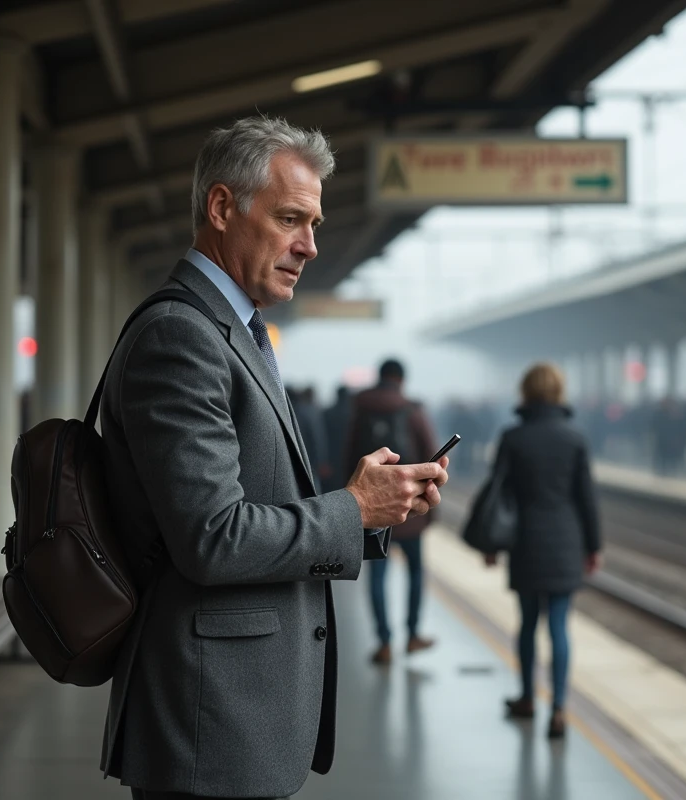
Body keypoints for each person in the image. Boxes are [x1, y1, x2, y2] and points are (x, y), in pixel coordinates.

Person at [97, 116, 449, 800]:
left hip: (235, 718)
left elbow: (252, 504)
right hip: (210, 725)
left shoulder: (235, 331)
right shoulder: (183, 338)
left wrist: (373, 514)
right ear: (222, 207)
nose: (310, 246)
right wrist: (350, 508)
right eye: (292, 218)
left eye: (313, 224)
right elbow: (212, 538)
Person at [483, 363, 601, 739]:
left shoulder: (513, 437)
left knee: (528, 623)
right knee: (559, 626)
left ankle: (527, 698)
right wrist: (593, 546)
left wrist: (490, 544)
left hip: (525, 541)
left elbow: (497, 494)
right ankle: (560, 709)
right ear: (559, 392)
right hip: (566, 540)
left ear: (526, 392)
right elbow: (587, 498)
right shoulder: (575, 438)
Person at [345, 358, 439, 665]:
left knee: (377, 575)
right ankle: (412, 636)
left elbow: (350, 455)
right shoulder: (412, 410)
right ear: (401, 379)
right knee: (415, 572)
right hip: (410, 510)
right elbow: (432, 454)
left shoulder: (361, 408)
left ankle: (384, 642)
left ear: (380, 377)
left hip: (373, 511)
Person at [288, 386, 330, 491]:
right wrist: (321, 460)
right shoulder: (310, 412)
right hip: (310, 461)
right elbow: (317, 438)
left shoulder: (287, 413)